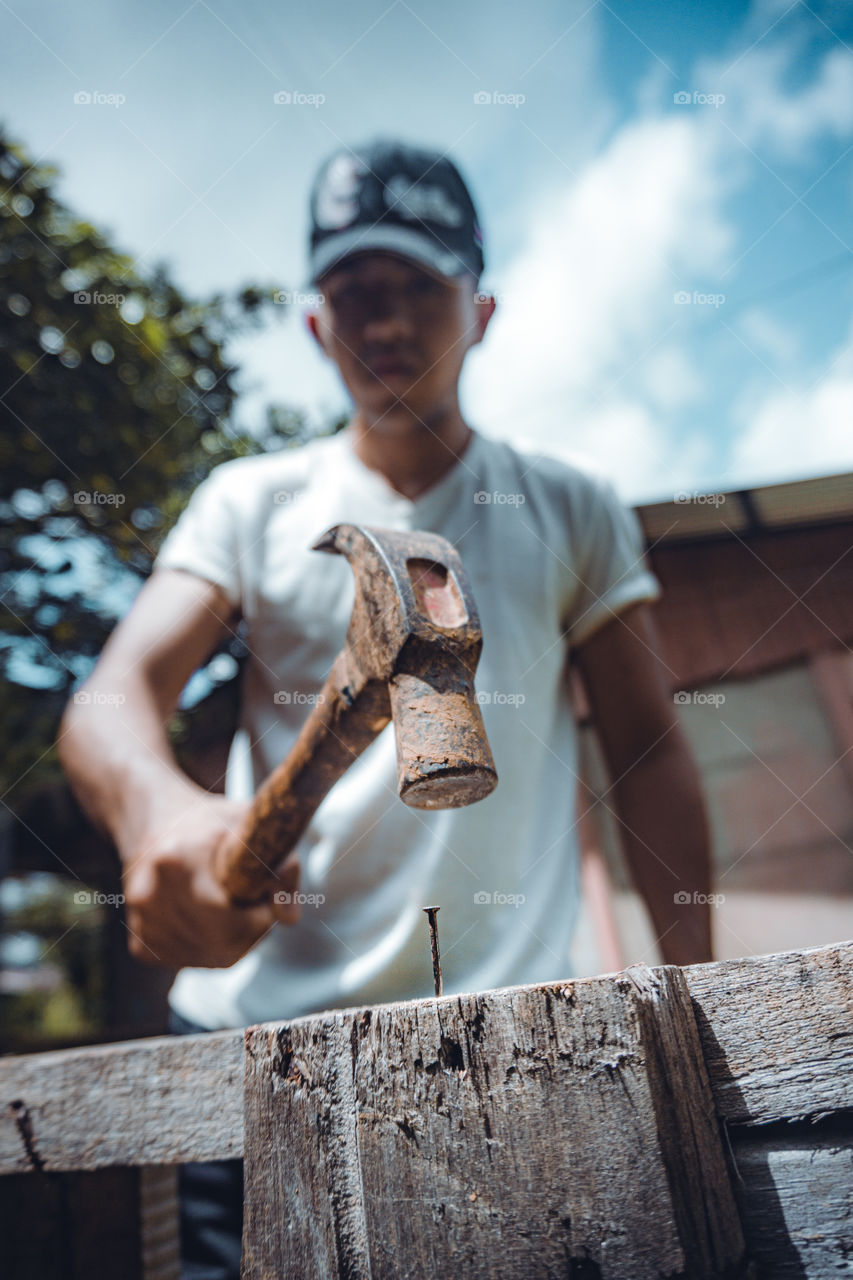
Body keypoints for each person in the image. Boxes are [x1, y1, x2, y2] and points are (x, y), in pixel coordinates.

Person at [58, 138, 714, 1280]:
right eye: (357, 292)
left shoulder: (571, 506)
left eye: (421, 286)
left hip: (511, 1046)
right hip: (249, 1052)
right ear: (316, 323)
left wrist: (701, 995)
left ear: (483, 306)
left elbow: (648, 748)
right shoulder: (248, 504)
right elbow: (113, 697)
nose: (390, 322)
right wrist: (157, 815)